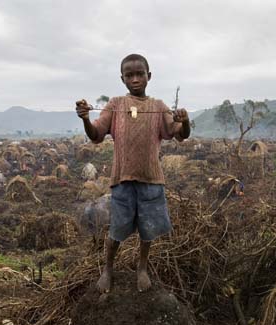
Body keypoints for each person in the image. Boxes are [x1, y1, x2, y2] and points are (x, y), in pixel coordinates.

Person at [75, 53, 190, 293]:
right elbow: (96, 134)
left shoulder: (158, 107)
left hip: (151, 179)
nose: (135, 79)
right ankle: (107, 269)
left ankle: (142, 268)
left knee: (147, 230)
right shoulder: (116, 104)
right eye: (130, 75)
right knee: (117, 230)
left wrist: (185, 121)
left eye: (140, 74)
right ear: (122, 78)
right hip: (122, 180)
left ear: (149, 76)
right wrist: (86, 119)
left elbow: (180, 133)